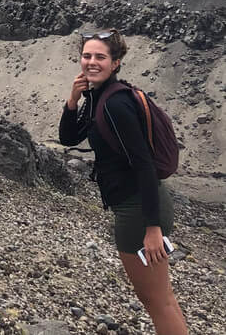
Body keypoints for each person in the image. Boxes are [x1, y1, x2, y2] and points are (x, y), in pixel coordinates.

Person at [59, 30, 187, 335]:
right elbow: (68, 138)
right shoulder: (99, 97)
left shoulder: (115, 104)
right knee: (156, 298)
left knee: (158, 301)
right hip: (134, 207)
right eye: (87, 55)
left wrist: (152, 228)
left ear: (115, 63)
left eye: (100, 57)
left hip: (139, 210)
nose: (91, 62)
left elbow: (143, 164)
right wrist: (74, 99)